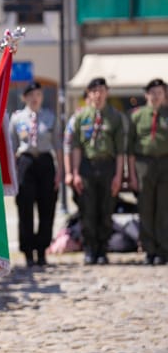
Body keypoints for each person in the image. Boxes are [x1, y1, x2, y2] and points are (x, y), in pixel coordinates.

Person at [69, 77, 127, 265]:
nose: (98, 94)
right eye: (94, 91)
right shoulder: (81, 117)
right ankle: (89, 248)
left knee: (106, 208)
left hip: (108, 166)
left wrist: (119, 175)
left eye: (102, 90)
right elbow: (76, 147)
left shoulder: (115, 117)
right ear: (89, 94)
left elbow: (120, 150)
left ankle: (102, 249)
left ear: (107, 93)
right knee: (88, 209)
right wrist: (75, 172)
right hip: (87, 166)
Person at [8, 81, 59, 267]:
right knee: (25, 208)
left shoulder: (50, 117)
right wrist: (12, 174)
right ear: (24, 98)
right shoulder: (17, 119)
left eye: (38, 94)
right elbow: (12, 148)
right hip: (25, 163)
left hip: (45, 162)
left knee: (47, 208)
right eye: (30, 95)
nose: (34, 98)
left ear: (42, 96)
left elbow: (58, 146)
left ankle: (42, 249)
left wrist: (60, 171)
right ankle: (28, 251)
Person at [127, 78, 168, 265]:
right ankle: (149, 250)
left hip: (165, 163)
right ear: (146, 95)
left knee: (163, 208)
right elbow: (129, 148)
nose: (156, 96)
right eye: (153, 93)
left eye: (160, 93)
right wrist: (132, 175)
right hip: (143, 164)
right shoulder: (136, 116)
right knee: (145, 208)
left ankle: (163, 249)